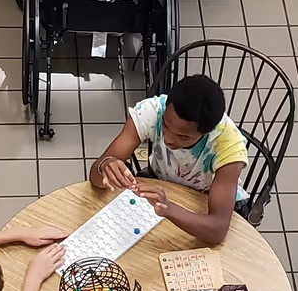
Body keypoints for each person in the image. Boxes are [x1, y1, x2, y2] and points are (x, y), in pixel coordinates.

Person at [90, 74, 248, 246]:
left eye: (183, 137)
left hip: (204, 199)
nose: (168, 138)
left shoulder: (228, 145)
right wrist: (105, 165)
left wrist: (169, 208)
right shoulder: (153, 111)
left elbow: (217, 231)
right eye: (165, 125)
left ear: (206, 132)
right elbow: (95, 178)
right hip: (162, 181)